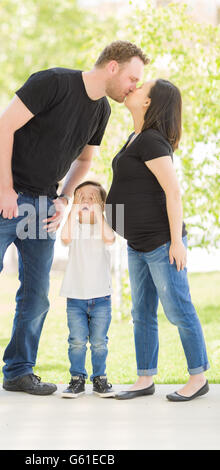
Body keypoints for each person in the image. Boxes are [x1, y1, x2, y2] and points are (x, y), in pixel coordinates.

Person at [0, 40, 149, 401]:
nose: (134, 86)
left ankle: (19, 372)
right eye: (132, 78)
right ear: (112, 67)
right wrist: (6, 189)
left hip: (43, 205)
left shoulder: (101, 111)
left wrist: (65, 197)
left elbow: (84, 162)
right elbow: (1, 129)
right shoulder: (51, 82)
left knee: (36, 295)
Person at [106, 78, 210, 402]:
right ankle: (144, 378)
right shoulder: (134, 138)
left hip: (162, 244)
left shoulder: (152, 141)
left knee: (178, 309)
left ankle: (198, 377)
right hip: (137, 244)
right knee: (142, 313)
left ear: (149, 103)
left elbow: (172, 191)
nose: (132, 89)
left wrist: (177, 243)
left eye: (140, 89)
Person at [60, 181, 116, 398]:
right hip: (75, 297)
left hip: (101, 297)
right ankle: (77, 379)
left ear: (102, 204)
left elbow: (109, 238)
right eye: (81, 196)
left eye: (92, 197)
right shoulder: (73, 226)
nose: (86, 199)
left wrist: (98, 212)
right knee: (76, 341)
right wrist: (74, 208)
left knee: (99, 342)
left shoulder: (104, 226)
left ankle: (100, 379)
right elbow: (65, 238)